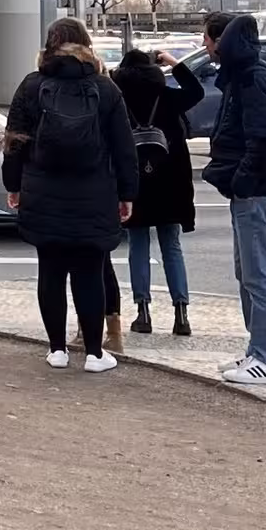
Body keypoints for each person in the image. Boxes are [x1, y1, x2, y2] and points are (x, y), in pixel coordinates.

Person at [2, 17, 137, 374]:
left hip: (43, 193)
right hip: (95, 194)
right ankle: (94, 353)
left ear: (49, 45)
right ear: (86, 44)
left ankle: (57, 350)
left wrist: (13, 185)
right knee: (90, 272)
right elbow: (124, 148)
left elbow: (14, 142)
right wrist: (127, 193)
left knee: (50, 271)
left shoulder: (32, 86)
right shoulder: (105, 89)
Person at [201, 12, 266, 390]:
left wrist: (242, 181)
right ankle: (256, 352)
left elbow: (264, 138)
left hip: (256, 192)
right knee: (248, 275)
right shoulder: (248, 74)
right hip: (252, 191)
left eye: (207, 38)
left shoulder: (252, 78)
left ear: (223, 41)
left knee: (259, 277)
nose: (204, 45)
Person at [113, 47, 204, 338]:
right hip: (170, 181)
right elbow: (196, 91)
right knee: (171, 246)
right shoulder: (166, 96)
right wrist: (175, 63)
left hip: (135, 181)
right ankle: (181, 314)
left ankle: (143, 312)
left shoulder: (118, 99)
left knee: (138, 245)